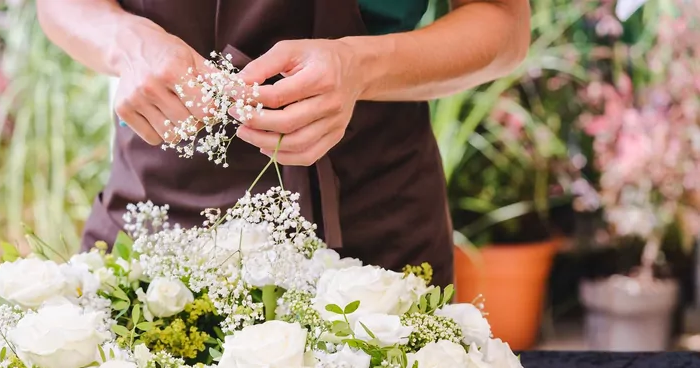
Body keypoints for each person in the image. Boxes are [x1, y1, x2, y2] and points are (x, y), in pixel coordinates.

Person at [37, 0, 530, 287]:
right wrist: (126, 42)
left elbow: (503, 22)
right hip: (157, 207)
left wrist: (359, 67)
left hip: (375, 219)